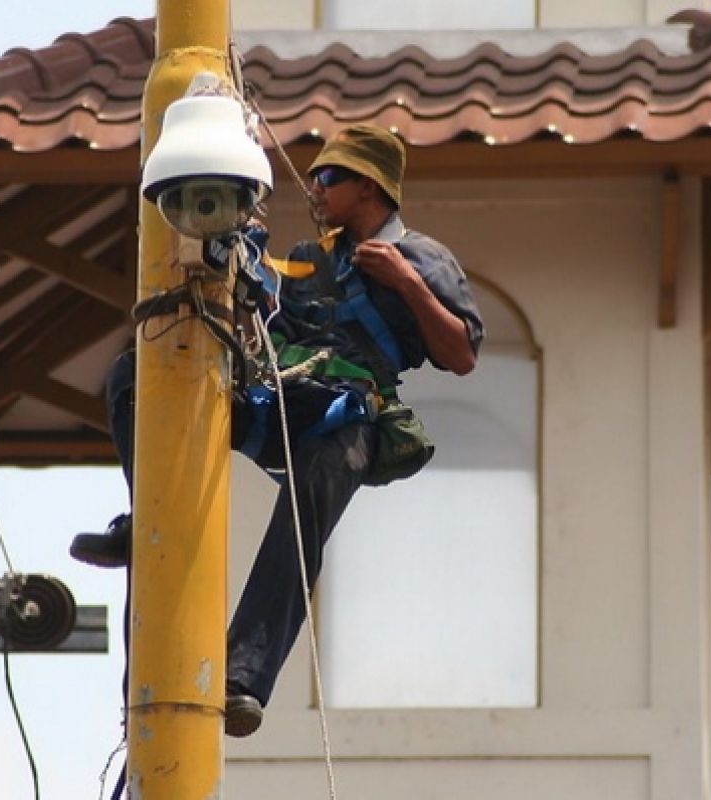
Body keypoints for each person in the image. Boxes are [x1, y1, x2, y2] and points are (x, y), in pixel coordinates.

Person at [70, 123, 484, 738]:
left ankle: (242, 678)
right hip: (281, 390)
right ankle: (145, 516)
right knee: (138, 373)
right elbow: (264, 319)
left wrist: (404, 281)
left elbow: (461, 352)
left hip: (347, 411)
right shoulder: (314, 258)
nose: (314, 189)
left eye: (327, 177)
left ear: (367, 187)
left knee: (307, 514)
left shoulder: (421, 256)